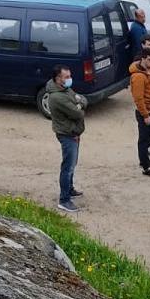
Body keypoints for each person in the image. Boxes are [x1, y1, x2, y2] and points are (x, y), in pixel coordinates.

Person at [45, 64, 88, 212]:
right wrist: (79, 103)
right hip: (67, 134)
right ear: (58, 79)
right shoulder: (57, 97)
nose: (70, 79)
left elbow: (82, 99)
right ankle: (64, 200)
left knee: (72, 164)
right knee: (68, 167)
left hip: (74, 133)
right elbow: (78, 113)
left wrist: (79, 102)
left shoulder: (64, 89)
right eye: (67, 77)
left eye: (70, 76)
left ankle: (69, 189)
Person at [129, 47, 150, 178]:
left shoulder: (146, 72)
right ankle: (146, 167)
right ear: (142, 59)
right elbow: (138, 98)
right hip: (146, 113)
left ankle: (146, 160)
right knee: (144, 140)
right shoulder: (138, 76)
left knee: (147, 139)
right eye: (149, 60)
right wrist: (145, 115)